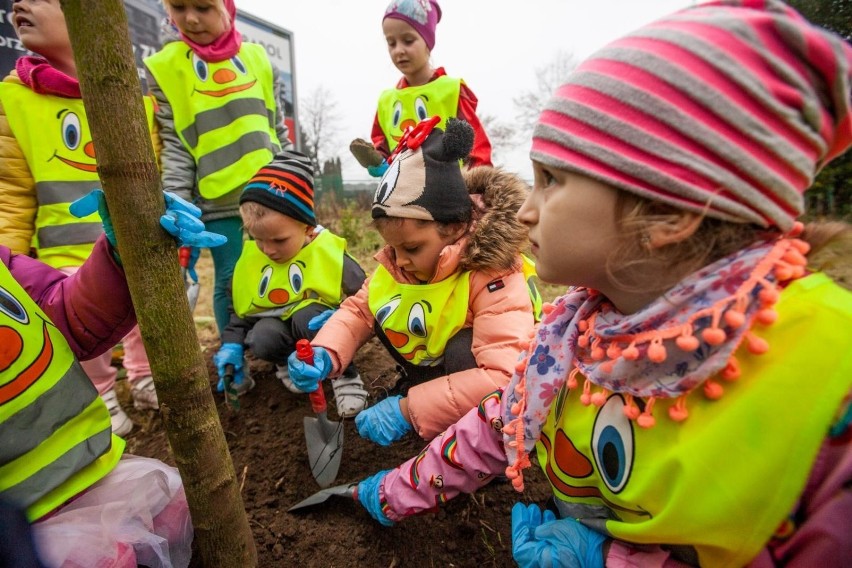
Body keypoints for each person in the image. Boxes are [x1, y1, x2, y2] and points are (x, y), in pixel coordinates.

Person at [351, 1, 852, 566]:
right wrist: (395, 491)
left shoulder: (831, 379)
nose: (524, 213)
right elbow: (498, 426)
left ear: (668, 211)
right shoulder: (576, 331)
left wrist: (615, 561)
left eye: (553, 181)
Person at [0, 188, 220, 567]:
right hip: (22, 516)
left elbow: (64, 313)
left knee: (183, 511)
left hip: (92, 466)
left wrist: (121, 256)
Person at [288, 117, 538, 445]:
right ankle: (425, 387)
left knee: (464, 349)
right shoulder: (402, 262)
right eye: (392, 247)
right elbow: (360, 310)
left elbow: (503, 376)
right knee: (385, 310)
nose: (399, 260)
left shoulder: (493, 273)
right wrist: (326, 350)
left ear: (453, 229)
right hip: (441, 370)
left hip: (498, 390)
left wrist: (408, 410)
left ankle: (475, 441)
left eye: (411, 248)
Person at [0, 0, 162, 437]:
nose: (20, 4)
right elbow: (10, 193)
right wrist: (10, 268)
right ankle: (100, 393)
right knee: (82, 327)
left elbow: (152, 173)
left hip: (129, 245)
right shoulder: (13, 98)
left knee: (150, 313)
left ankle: (145, 376)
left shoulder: (131, 98)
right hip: (61, 254)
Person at [144, 0, 293, 339]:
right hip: (216, 199)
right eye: (179, 7)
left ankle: (276, 348)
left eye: (203, 7)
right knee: (229, 278)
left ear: (227, 7)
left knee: (278, 267)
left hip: (270, 192)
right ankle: (235, 352)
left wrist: (294, 180)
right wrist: (177, 204)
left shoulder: (258, 60)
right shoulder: (168, 68)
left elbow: (276, 129)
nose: (192, 18)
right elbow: (176, 143)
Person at [213, 150, 369, 417]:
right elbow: (241, 309)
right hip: (281, 334)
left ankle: (344, 377)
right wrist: (231, 344)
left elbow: (366, 295)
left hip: (323, 334)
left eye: (279, 240)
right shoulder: (254, 261)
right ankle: (286, 364)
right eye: (258, 239)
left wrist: (346, 321)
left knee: (307, 316)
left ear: (307, 228)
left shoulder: (327, 255)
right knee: (262, 336)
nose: (268, 250)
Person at [349, 0, 492, 177]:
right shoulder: (387, 101)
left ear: (428, 42)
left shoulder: (452, 90)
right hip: (400, 198)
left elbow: (478, 150)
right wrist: (377, 160)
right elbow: (383, 148)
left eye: (408, 41)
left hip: (450, 197)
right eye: (391, 43)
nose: (398, 50)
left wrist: (479, 191)